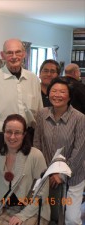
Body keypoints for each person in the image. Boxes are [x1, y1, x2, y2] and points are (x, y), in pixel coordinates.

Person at [33, 77, 85, 225]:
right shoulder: (42, 114)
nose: (57, 95)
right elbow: (37, 143)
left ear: (69, 96)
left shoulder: (80, 118)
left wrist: (61, 175)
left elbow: (79, 151)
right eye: (54, 91)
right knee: (47, 215)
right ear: (48, 94)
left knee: (71, 219)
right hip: (47, 174)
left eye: (62, 92)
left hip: (73, 176)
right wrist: (44, 171)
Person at [0, 114, 50, 225]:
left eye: (17, 133)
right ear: (3, 132)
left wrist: (22, 216)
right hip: (7, 208)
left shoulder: (35, 155)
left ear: (24, 134)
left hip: (34, 210)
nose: (12, 137)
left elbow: (42, 192)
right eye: (8, 132)